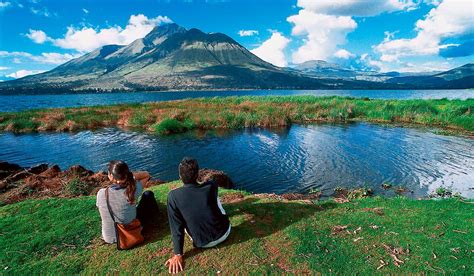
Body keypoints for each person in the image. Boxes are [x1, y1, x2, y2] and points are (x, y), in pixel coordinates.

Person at [165, 157, 231, 274]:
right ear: (197, 175)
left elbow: (177, 229)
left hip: (202, 243)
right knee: (216, 202)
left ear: (180, 177)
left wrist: (178, 254)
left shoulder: (173, 196)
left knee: (182, 218)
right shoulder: (211, 186)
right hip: (224, 232)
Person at [96, 160, 158, 244]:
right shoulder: (132, 190)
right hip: (130, 233)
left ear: (110, 176)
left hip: (109, 237)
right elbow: (146, 175)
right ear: (127, 174)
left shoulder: (101, 193)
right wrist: (130, 176)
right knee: (148, 194)